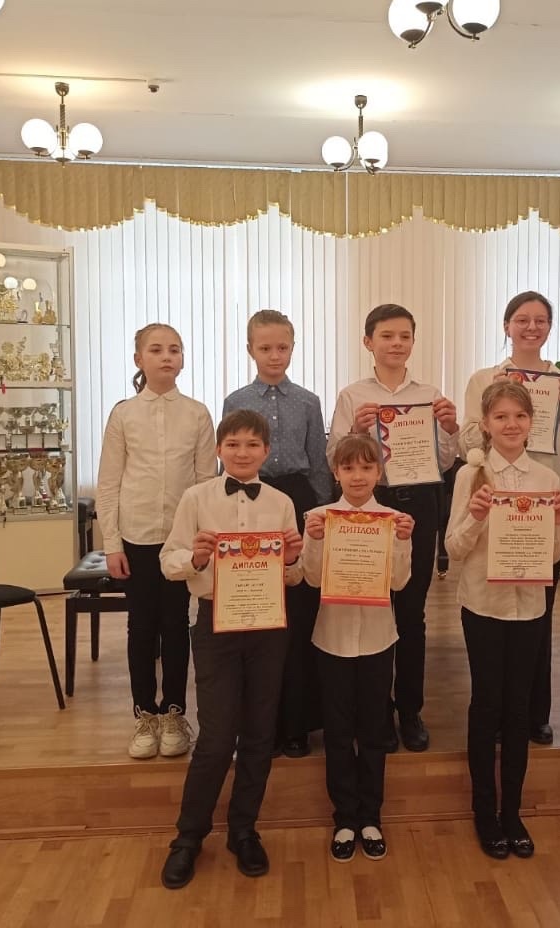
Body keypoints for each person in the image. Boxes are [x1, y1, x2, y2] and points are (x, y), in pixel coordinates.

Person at [157, 409, 305, 890]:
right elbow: (168, 561)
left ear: (267, 451)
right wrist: (196, 557)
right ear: (219, 449)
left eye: (252, 444)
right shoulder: (196, 498)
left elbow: (294, 577)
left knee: (260, 734)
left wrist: (293, 559)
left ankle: (244, 829)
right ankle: (188, 837)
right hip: (215, 624)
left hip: (268, 627)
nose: (243, 453)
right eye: (234, 444)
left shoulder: (282, 502)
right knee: (218, 737)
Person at [446, 380, 560, 860]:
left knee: (519, 709)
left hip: (530, 607)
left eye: (519, 416)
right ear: (486, 423)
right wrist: (476, 516)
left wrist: (556, 524)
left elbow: (553, 556)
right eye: (501, 417)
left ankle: (512, 811)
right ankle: (484, 811)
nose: (511, 424)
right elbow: (454, 549)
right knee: (487, 705)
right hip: (483, 605)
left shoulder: (547, 478)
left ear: (532, 422)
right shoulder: (469, 476)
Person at [328, 303, 459, 753]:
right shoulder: (352, 395)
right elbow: (335, 460)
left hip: (419, 504)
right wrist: (355, 430)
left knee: (412, 613)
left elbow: (444, 461)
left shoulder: (430, 394)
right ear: (369, 342)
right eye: (387, 335)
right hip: (371, 504)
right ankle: (377, 711)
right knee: (374, 606)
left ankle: (411, 709)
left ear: (413, 342)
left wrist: (449, 428)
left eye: (404, 336)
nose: (396, 343)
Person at [459, 291, 560, 746]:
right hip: (495, 499)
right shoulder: (483, 378)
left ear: (550, 326)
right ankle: (494, 709)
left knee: (539, 612)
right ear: (506, 326)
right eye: (522, 319)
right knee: (494, 610)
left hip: (542, 500)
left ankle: (535, 711)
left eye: (540, 320)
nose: (531, 327)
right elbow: (467, 441)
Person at [96, 323, 215, 760]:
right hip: (137, 535)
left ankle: (174, 713)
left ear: (182, 359)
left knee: (177, 624)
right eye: (157, 349)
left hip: (181, 539)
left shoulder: (198, 414)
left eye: (175, 350)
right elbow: (109, 483)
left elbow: (206, 481)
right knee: (142, 626)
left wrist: (202, 541)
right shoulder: (123, 415)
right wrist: (112, 543)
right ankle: (145, 713)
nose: (167, 356)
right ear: (138, 360)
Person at [223, 309, 330, 758]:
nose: (274, 355)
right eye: (265, 347)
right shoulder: (236, 400)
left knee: (299, 615)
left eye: (282, 347)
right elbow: (229, 460)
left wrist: (320, 518)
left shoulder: (307, 401)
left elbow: (319, 463)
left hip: (299, 500)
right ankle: (258, 727)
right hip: (253, 501)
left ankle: (297, 724)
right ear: (250, 349)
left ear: (292, 348)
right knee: (259, 616)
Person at [302, 434, 414, 862]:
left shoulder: (393, 520)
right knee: (337, 733)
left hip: (378, 640)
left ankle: (371, 816)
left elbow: (399, 581)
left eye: (367, 467)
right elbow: (312, 579)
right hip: (331, 640)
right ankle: (344, 818)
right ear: (336, 473)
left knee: (373, 731)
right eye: (348, 468)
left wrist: (403, 541)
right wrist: (314, 540)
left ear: (379, 472)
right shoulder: (319, 518)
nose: (358, 476)